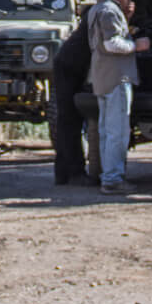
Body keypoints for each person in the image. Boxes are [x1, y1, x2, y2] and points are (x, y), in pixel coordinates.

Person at [87, 0, 149, 195]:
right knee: (118, 132)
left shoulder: (96, 9)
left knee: (106, 130)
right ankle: (113, 179)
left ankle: (108, 175)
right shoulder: (109, 11)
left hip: (101, 76)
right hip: (116, 78)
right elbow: (112, 43)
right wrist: (136, 45)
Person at [48, 10, 95, 185]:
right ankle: (75, 173)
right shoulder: (103, 13)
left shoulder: (96, 11)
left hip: (68, 65)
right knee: (69, 120)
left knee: (67, 121)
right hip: (70, 67)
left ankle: (63, 173)